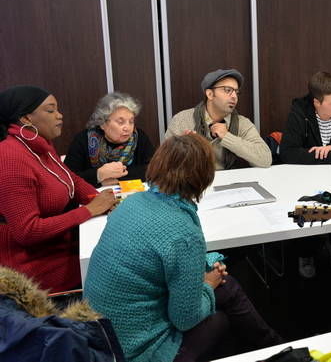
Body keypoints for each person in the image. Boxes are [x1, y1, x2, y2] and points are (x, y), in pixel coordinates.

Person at [84, 134, 281, 362]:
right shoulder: (182, 233)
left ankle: (276, 348)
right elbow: (185, 319)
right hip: (132, 352)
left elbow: (156, 261)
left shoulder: (131, 203)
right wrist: (207, 284)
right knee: (221, 316)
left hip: (98, 337)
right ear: (204, 176)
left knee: (227, 288)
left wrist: (202, 273)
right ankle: (278, 349)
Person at [0, 86, 116, 293]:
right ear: (26, 118)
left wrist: (102, 200)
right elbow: (27, 231)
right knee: (118, 267)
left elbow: (72, 180)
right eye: (50, 110)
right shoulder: (10, 158)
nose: (59, 115)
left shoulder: (39, 145)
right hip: (34, 266)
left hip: (60, 244)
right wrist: (89, 210)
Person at [166, 69, 271, 170]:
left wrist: (227, 137)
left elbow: (265, 159)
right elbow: (166, 163)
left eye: (236, 92)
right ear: (210, 94)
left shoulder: (242, 123)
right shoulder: (182, 120)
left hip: (229, 180)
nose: (234, 96)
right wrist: (184, 148)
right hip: (193, 180)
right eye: (228, 90)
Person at [64, 92, 155, 187]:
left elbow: (154, 170)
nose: (127, 128)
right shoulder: (83, 140)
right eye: (120, 122)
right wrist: (98, 175)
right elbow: (68, 178)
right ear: (103, 123)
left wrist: (117, 178)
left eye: (131, 122)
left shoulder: (139, 137)